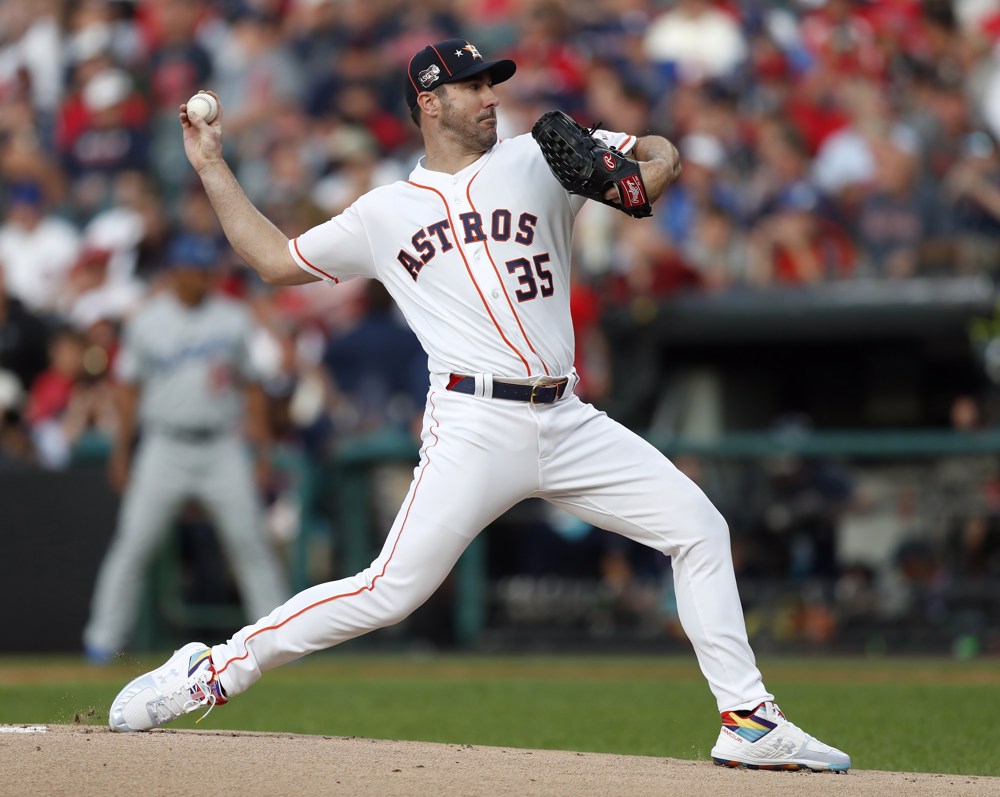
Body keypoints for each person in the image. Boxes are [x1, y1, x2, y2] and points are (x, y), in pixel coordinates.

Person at [107, 38, 850, 773]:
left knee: (698, 526)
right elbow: (273, 259)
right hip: (475, 424)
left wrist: (644, 166)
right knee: (388, 591)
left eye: (492, 83)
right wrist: (209, 163)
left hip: (568, 417)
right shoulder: (384, 212)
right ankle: (213, 670)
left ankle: (749, 720)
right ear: (429, 102)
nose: (490, 95)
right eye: (472, 86)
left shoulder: (540, 154)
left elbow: (658, 158)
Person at [83, 233, 290, 663]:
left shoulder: (232, 318)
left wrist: (263, 451)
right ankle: (102, 641)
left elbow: (251, 389)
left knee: (250, 541)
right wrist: (122, 452)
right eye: (194, 270)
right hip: (164, 445)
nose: (202, 278)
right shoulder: (147, 321)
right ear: (176, 272)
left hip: (220, 446)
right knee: (134, 544)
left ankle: (278, 644)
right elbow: (128, 393)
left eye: (206, 270)